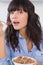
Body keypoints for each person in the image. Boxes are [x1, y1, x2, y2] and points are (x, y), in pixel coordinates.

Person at [0, 0, 43, 65]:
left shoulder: (41, 36)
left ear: (30, 16)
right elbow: (4, 63)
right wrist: (1, 37)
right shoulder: (6, 37)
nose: (14, 16)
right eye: (12, 12)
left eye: (20, 12)